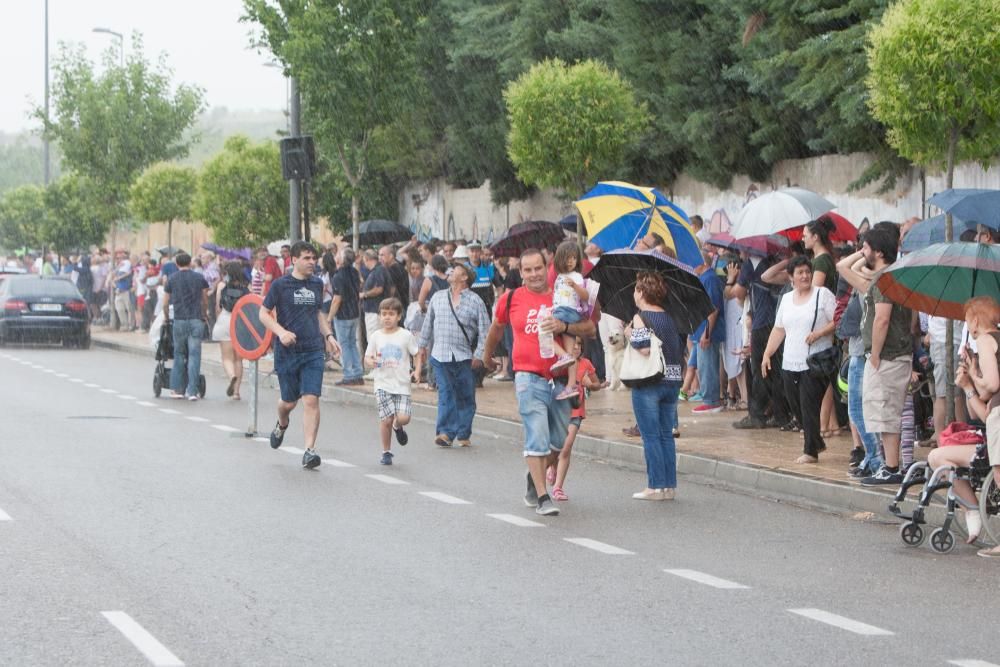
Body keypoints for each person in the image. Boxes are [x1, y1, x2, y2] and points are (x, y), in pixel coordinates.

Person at [483, 248, 597, 516]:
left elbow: (590, 328)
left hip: (560, 381)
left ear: (547, 268)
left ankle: (533, 477)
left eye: (538, 268)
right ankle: (543, 497)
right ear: (520, 272)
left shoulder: (562, 295)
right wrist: (486, 357)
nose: (534, 274)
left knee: (557, 442)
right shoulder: (510, 299)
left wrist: (565, 327)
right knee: (536, 435)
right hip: (527, 377)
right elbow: (496, 330)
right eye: (528, 270)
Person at [839, 227, 913, 485]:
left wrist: (875, 355)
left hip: (888, 357)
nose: (862, 251)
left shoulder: (886, 279)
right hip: (887, 356)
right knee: (882, 415)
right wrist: (864, 251)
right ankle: (890, 465)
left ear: (879, 252)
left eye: (867, 247)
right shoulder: (884, 277)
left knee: (886, 413)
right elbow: (843, 268)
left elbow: (882, 319)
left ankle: (891, 468)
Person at [259, 241, 342, 469]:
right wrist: (281, 332)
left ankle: (309, 451)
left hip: (313, 350)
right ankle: (281, 424)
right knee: (288, 402)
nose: (311, 262)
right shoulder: (280, 285)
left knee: (311, 399)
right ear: (294, 260)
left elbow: (318, 313)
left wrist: (329, 336)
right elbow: (263, 314)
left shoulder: (317, 284)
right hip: (287, 352)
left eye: (313, 258)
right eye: (306, 258)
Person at [927, 296, 1000, 551]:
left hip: (996, 428)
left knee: (937, 457)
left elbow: (992, 385)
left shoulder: (985, 339)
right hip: (992, 423)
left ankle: (972, 510)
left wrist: (976, 380)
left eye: (967, 320)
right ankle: (973, 511)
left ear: (976, 320)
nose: (967, 327)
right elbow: (982, 411)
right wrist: (969, 385)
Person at [761, 256, 836, 463]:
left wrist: (819, 333)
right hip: (790, 361)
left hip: (815, 361)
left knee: (808, 404)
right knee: (795, 405)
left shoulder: (822, 295)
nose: (805, 276)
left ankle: (810, 451)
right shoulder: (786, 299)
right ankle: (816, 441)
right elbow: (779, 329)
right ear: (791, 277)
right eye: (800, 272)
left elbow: (837, 320)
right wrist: (767, 353)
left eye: (807, 272)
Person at [416, 263, 490, 447]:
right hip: (440, 355)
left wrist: (479, 355)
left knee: (465, 396)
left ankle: (464, 432)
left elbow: (485, 331)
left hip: (464, 356)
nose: (450, 270)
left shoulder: (475, 301)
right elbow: (428, 324)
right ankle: (445, 433)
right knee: (446, 393)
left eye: (455, 269)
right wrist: (421, 347)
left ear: (464, 277)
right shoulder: (438, 297)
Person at [626, 271, 684, 500]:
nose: (634, 293)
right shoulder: (668, 317)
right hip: (672, 381)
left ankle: (654, 486)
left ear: (641, 292)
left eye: (636, 289)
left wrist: (629, 333)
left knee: (650, 436)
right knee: (665, 435)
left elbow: (644, 348)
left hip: (650, 382)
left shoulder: (641, 317)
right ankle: (669, 486)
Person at [730, 250, 790, 429]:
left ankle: (756, 414)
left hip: (762, 321)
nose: (739, 252)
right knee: (776, 371)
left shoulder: (751, 264)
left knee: (759, 370)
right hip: (777, 320)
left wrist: (731, 283)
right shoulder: (774, 259)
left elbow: (737, 292)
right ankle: (780, 414)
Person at [365, 297, 419, 465]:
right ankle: (386, 452)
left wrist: (417, 370)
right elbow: (367, 356)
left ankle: (398, 426)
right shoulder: (376, 336)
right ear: (379, 316)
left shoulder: (405, 335)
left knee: (404, 418)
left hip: (402, 384)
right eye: (383, 314)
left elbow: (417, 354)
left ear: (399, 316)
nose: (387, 317)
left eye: (391, 314)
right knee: (386, 419)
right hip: (382, 383)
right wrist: (370, 361)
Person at [547, 336, 601, 501]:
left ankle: (558, 488)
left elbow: (597, 384)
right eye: (574, 343)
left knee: (566, 447)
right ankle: (552, 467)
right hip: (558, 410)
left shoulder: (586, 364)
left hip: (575, 411)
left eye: (579, 344)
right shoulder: (559, 362)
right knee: (556, 445)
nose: (576, 347)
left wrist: (589, 384)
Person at [160, 253, 209, 401]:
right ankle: (192, 391)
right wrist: (204, 314)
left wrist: (167, 317)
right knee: (195, 355)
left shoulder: (172, 279)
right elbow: (205, 299)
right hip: (196, 319)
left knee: (179, 354)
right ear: (190, 263)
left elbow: (165, 303)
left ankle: (177, 389)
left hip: (179, 320)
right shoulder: (199, 278)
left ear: (176, 263)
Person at [549, 241, 593, 401]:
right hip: (563, 311)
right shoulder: (559, 277)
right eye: (567, 258)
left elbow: (585, 296)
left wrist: (575, 286)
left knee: (544, 333)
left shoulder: (577, 277)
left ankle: (562, 356)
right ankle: (571, 385)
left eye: (574, 258)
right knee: (571, 351)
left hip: (567, 312)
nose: (570, 261)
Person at [692, 244, 726, 414]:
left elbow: (713, 309)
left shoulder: (710, 279)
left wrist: (707, 333)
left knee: (708, 365)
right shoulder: (704, 278)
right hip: (701, 329)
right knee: (704, 365)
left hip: (708, 331)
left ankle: (711, 400)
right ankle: (709, 397)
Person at [213, 261, 250, 400]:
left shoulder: (222, 286)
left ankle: (231, 376)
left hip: (225, 320)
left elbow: (218, 307)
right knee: (238, 359)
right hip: (240, 321)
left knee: (226, 357)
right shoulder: (246, 288)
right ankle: (236, 392)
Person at [329, 247, 364, 386]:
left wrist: (329, 317)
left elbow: (337, 299)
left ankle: (349, 375)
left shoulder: (338, 276)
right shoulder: (355, 272)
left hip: (343, 314)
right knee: (352, 344)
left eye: (338, 254)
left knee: (344, 345)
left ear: (342, 259)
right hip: (354, 312)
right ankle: (357, 373)